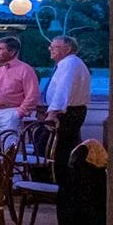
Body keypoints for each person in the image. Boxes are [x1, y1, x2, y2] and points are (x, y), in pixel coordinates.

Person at [0, 34, 41, 150]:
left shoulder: (25, 70)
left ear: (12, 52)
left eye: (0, 49)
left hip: (10, 112)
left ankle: (10, 168)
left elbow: (33, 95)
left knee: (10, 149)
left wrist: (19, 113)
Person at [44, 35, 91, 184]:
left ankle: (56, 185)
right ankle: (61, 184)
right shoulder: (69, 63)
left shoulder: (70, 64)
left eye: (55, 46)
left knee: (57, 150)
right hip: (70, 111)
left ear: (68, 48)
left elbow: (63, 89)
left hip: (67, 113)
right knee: (59, 148)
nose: (50, 49)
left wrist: (53, 113)